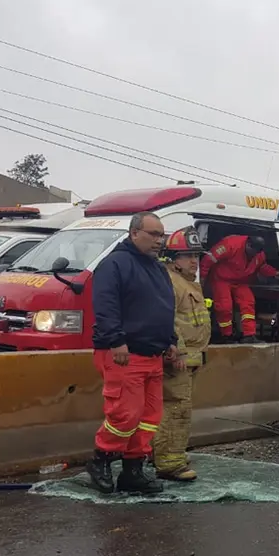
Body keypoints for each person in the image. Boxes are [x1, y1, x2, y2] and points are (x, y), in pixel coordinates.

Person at [85, 211, 183, 495]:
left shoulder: (157, 269)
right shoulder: (115, 264)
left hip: (152, 354)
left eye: (161, 235)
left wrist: (170, 341)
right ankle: (101, 460)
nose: (159, 240)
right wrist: (116, 341)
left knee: (149, 417)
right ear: (134, 233)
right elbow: (105, 306)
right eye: (153, 234)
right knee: (124, 415)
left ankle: (133, 470)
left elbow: (164, 308)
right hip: (124, 354)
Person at [153, 226, 211, 481]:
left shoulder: (186, 283)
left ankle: (166, 453)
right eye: (188, 256)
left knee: (178, 408)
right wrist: (179, 353)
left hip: (189, 359)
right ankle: (170, 462)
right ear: (172, 259)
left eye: (196, 256)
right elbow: (168, 322)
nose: (194, 261)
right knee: (176, 410)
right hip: (178, 360)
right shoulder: (170, 283)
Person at [199, 234, 279, 344]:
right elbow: (208, 260)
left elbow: (261, 267)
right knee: (224, 306)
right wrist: (202, 280)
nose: (253, 255)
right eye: (252, 251)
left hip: (241, 281)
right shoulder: (230, 245)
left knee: (248, 302)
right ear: (248, 244)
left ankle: (249, 335)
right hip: (221, 279)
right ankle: (226, 336)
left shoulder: (259, 255)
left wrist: (275, 273)